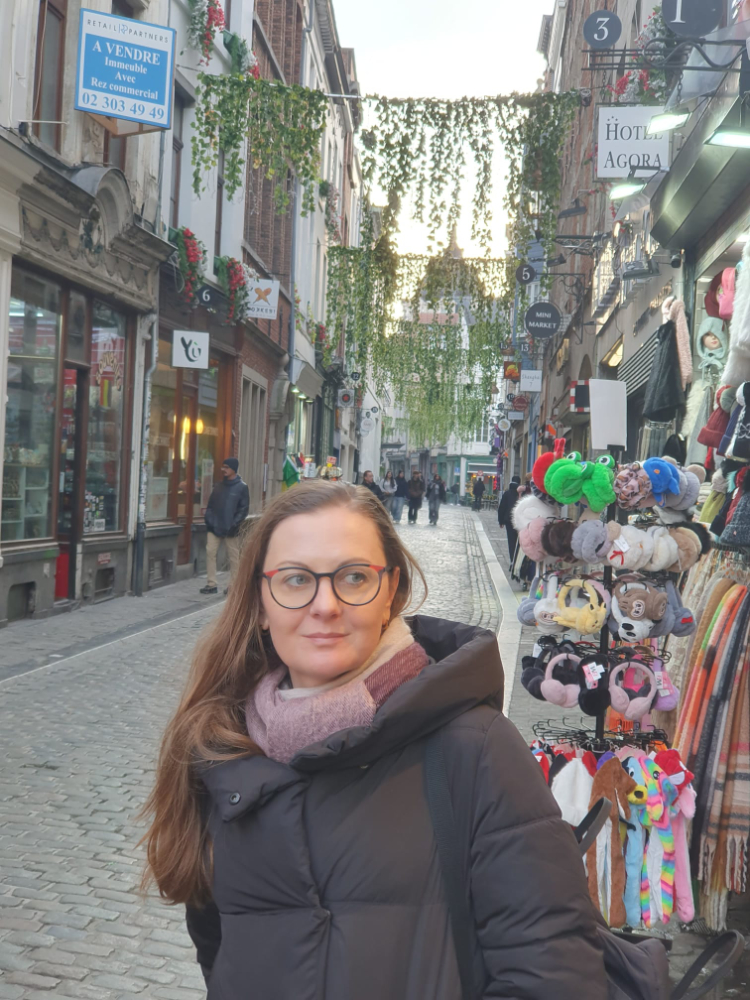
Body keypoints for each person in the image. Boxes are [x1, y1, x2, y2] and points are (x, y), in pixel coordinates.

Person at [142, 480, 606, 1000]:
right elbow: (223, 955)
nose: (325, 605)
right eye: (295, 579)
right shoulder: (223, 749)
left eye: (354, 577)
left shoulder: (476, 751)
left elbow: (554, 975)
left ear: (391, 593)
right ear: (260, 602)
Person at [200, 458, 249, 596]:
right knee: (210, 552)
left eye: (226, 467)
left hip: (231, 529)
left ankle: (233, 586)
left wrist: (234, 524)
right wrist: (209, 520)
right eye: (223, 467)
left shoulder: (242, 487)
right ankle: (211, 584)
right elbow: (210, 506)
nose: (223, 470)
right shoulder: (219, 486)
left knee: (233, 557)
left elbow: (243, 509)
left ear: (234, 469)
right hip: (214, 526)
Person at [497, 475, 521, 563]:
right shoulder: (521, 494)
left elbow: (502, 507)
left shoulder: (507, 493)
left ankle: (512, 560)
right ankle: (518, 560)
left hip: (509, 520)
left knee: (511, 541)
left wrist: (501, 521)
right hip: (519, 521)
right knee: (520, 541)